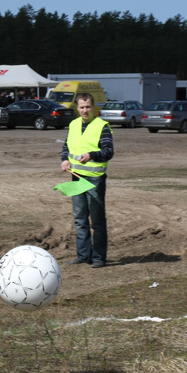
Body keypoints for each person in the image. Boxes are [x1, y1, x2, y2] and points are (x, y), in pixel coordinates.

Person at [60, 92, 114, 268]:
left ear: (93, 107)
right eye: (82, 107)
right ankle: (83, 255)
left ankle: (99, 257)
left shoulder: (102, 126)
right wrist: (64, 159)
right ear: (77, 108)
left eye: (88, 107)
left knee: (97, 220)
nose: (85, 110)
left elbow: (109, 151)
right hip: (76, 177)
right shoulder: (73, 124)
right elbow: (66, 146)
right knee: (80, 218)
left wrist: (91, 155)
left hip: (95, 179)